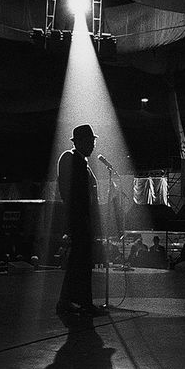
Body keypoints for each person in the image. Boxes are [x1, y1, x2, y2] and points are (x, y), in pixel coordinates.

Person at [56, 124, 106, 316]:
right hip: (79, 219)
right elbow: (74, 195)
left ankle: (68, 301)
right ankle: (83, 302)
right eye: (90, 141)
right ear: (80, 142)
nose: (93, 145)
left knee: (79, 263)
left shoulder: (79, 161)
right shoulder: (72, 159)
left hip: (80, 219)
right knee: (82, 263)